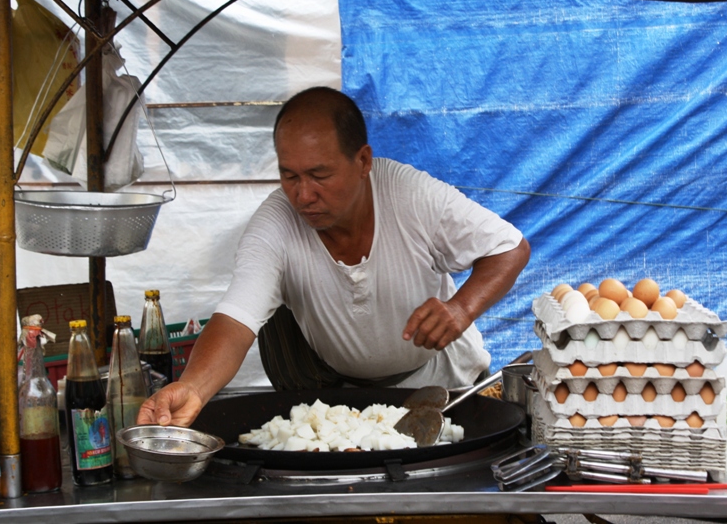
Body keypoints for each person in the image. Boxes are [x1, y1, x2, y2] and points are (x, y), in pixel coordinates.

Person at [138, 87, 530, 427]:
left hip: (446, 386)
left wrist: (461, 309)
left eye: (319, 176)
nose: (303, 195)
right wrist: (191, 387)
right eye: (289, 176)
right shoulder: (275, 224)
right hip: (344, 403)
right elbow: (236, 320)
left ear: (362, 162)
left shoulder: (409, 194)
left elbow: (509, 247)